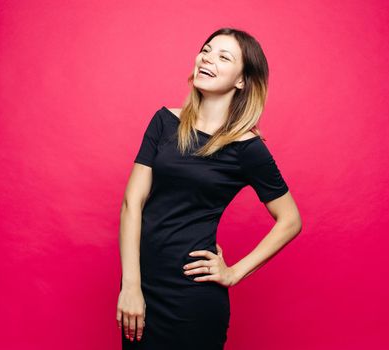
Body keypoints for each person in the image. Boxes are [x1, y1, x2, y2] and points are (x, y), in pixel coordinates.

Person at [117, 27, 302, 349]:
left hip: (192, 297)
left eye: (223, 56)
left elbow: (290, 220)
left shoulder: (247, 148)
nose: (207, 58)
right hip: (142, 286)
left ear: (241, 80)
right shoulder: (164, 121)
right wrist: (131, 285)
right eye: (206, 50)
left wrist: (234, 273)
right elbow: (133, 202)